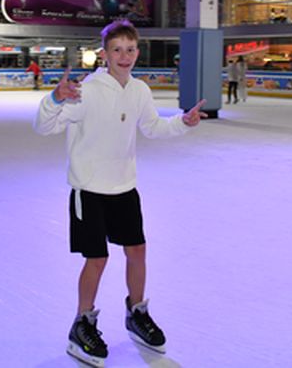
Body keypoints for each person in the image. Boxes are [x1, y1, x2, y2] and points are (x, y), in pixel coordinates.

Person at [34, 20, 206, 368]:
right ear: (105, 54)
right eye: (117, 50)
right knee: (96, 259)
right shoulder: (87, 91)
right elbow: (44, 127)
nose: (124, 56)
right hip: (89, 190)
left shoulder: (139, 90)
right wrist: (54, 99)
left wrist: (182, 123)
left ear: (137, 52)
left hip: (124, 187)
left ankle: (137, 313)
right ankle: (82, 323)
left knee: (137, 251)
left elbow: (152, 127)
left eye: (130, 49)